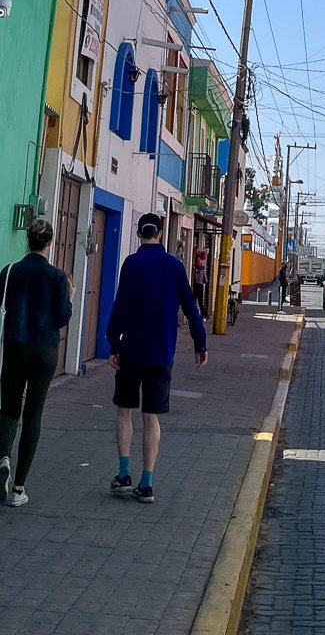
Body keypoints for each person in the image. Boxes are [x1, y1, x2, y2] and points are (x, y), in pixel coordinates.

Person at [107, 213, 207, 504]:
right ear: (160, 234)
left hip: (131, 351)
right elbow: (191, 307)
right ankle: (147, 482)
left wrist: (114, 344)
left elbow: (120, 305)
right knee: (151, 417)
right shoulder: (175, 266)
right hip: (162, 352)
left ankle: (123, 473)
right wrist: (200, 343)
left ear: (139, 234)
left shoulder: (131, 264)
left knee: (124, 410)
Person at [0, 217, 73, 508]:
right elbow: (62, 318)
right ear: (50, 243)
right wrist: (70, 298)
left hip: (15, 348)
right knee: (33, 414)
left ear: (28, 239)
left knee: (10, 410)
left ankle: (4, 461)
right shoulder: (58, 277)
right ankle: (19, 489)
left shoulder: (10, 272)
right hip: (45, 351)